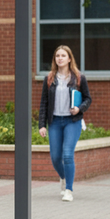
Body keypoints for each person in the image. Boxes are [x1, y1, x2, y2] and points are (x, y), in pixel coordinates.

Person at [38, 44, 91, 202]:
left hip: (72, 121)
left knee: (67, 155)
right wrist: (42, 124)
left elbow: (88, 98)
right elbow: (44, 103)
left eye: (63, 55)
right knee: (55, 157)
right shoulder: (49, 78)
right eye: (57, 56)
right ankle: (63, 177)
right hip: (55, 121)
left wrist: (79, 109)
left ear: (69, 58)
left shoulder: (78, 77)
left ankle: (68, 189)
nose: (59, 58)